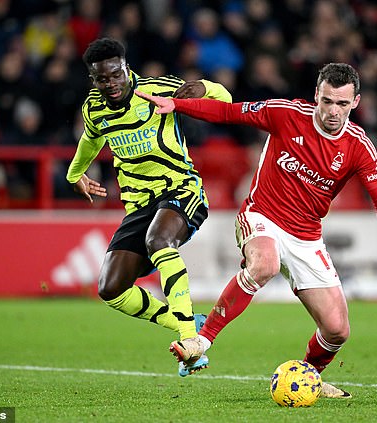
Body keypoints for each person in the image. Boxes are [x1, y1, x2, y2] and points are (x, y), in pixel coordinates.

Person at [136, 63, 377, 397]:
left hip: (306, 235)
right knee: (265, 265)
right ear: (316, 94)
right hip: (261, 216)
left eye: (342, 104)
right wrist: (178, 105)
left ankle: (310, 376)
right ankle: (202, 340)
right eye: (328, 101)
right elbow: (230, 114)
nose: (334, 111)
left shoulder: (358, 146)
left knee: (337, 330)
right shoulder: (285, 114)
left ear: (356, 102)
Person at [66, 37, 232, 375]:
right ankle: (188, 323)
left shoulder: (159, 89)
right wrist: (75, 174)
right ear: (93, 79)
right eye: (102, 79)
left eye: (116, 75)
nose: (111, 84)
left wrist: (203, 86)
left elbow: (225, 99)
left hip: (182, 190)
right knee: (110, 289)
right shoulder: (93, 108)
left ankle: (191, 343)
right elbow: (90, 139)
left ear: (126, 68)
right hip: (139, 204)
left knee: (159, 241)